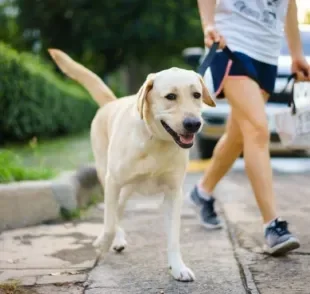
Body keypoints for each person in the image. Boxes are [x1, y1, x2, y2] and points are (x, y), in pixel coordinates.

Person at [189, 0, 310, 255]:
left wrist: (296, 53)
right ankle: (272, 226)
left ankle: (202, 191)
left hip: (267, 53)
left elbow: (288, 5)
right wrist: (208, 24)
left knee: (239, 136)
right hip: (231, 43)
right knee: (257, 129)